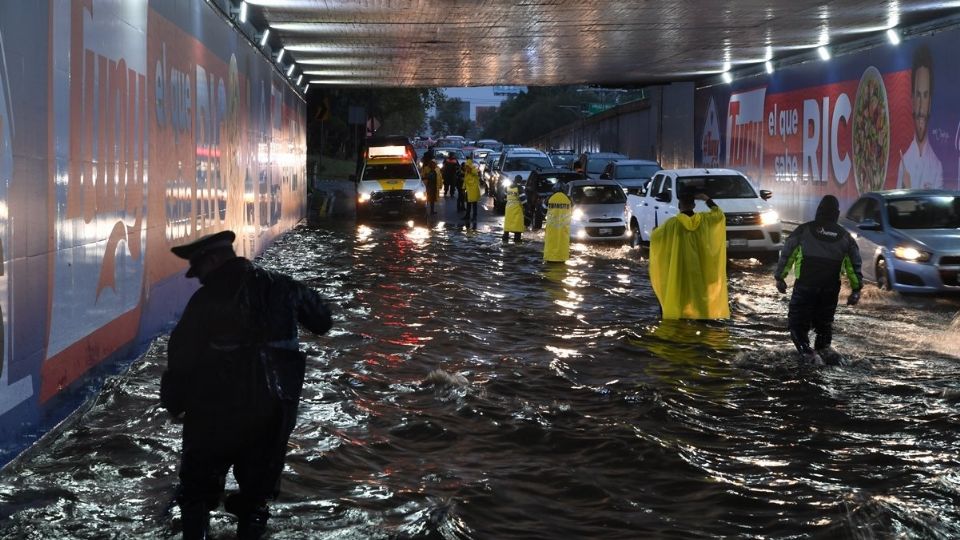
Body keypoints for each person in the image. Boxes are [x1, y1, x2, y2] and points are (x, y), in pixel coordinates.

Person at [161, 230, 333, 539]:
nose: (199, 279)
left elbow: (181, 357)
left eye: (199, 270)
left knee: (196, 495)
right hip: (271, 417)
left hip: (214, 415)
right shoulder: (282, 286)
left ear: (213, 260)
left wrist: (175, 403)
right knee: (255, 501)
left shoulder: (205, 299)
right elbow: (322, 320)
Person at [774, 195, 862, 365]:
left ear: (818, 211)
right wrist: (856, 290)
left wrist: (780, 277)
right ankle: (829, 358)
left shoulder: (804, 230)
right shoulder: (845, 237)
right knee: (824, 327)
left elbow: (787, 253)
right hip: (830, 290)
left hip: (805, 286)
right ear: (836, 214)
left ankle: (807, 353)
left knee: (797, 325)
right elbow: (854, 265)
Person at [650, 191, 728, 319]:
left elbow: (656, 237)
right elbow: (719, 215)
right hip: (700, 269)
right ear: (693, 206)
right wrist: (707, 198)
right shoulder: (705, 220)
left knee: (679, 298)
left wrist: (655, 231)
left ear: (679, 206)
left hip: (679, 269)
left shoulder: (672, 224)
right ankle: (703, 322)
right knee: (700, 300)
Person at [898, 45, 942, 189]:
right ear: (912, 100)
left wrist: (909, 189)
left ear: (930, 102)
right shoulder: (903, 162)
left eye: (925, 95)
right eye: (917, 95)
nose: (921, 106)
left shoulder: (936, 167)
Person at [543, 182, 572, 263]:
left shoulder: (549, 198)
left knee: (551, 244)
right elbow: (573, 210)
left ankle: (551, 258)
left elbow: (543, 210)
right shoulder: (569, 199)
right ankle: (561, 258)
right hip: (564, 229)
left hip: (551, 228)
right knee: (562, 245)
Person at [462, 156, 481, 230]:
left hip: (474, 190)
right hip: (469, 191)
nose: (466, 168)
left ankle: (474, 216)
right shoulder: (467, 172)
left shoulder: (474, 170)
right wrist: (463, 188)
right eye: (466, 167)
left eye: (467, 167)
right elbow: (465, 180)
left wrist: (471, 169)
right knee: (468, 203)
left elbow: (476, 173)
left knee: (474, 204)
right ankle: (467, 215)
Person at [502, 178, 524, 243]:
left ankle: (505, 236)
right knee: (517, 224)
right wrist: (527, 208)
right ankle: (517, 238)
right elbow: (524, 199)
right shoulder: (519, 188)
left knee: (508, 223)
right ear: (520, 181)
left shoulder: (508, 187)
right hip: (517, 208)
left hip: (508, 208)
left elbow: (504, 197)